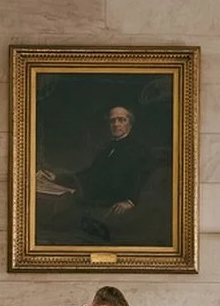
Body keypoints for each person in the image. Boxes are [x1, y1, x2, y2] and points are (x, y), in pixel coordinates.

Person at [36, 104, 169, 247]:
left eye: (121, 120)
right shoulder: (107, 148)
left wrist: (130, 201)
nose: (116, 124)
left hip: (111, 201)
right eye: (112, 121)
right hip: (94, 196)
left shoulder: (140, 150)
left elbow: (144, 177)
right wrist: (58, 178)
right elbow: (89, 173)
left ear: (130, 124)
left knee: (58, 212)